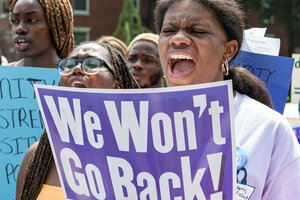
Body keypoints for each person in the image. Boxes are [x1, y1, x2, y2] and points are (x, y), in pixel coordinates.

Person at [154, 0, 300, 199]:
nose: (178, 39)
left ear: (228, 50)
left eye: (197, 31)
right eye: (169, 30)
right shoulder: (129, 124)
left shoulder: (268, 129)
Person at [16, 41, 137, 200]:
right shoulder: (37, 155)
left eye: (92, 63)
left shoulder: (138, 158)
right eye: (69, 64)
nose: (77, 69)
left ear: (116, 86)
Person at [9, 0, 74, 68]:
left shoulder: (75, 76)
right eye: (15, 20)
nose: (19, 29)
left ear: (57, 26)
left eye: (32, 20)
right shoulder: (4, 73)